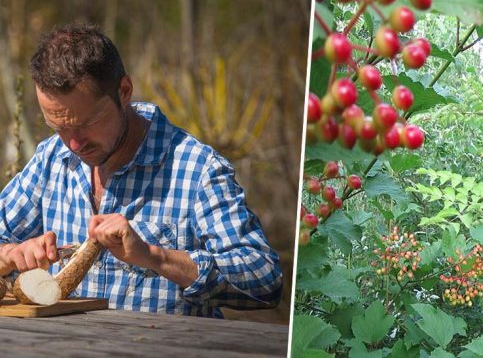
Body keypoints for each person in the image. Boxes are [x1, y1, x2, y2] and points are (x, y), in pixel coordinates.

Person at [0, 23, 282, 317]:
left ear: (124, 91)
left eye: (86, 123)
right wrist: (10, 254)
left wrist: (154, 257)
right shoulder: (51, 158)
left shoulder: (199, 169)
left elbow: (265, 280)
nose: (73, 143)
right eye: (58, 128)